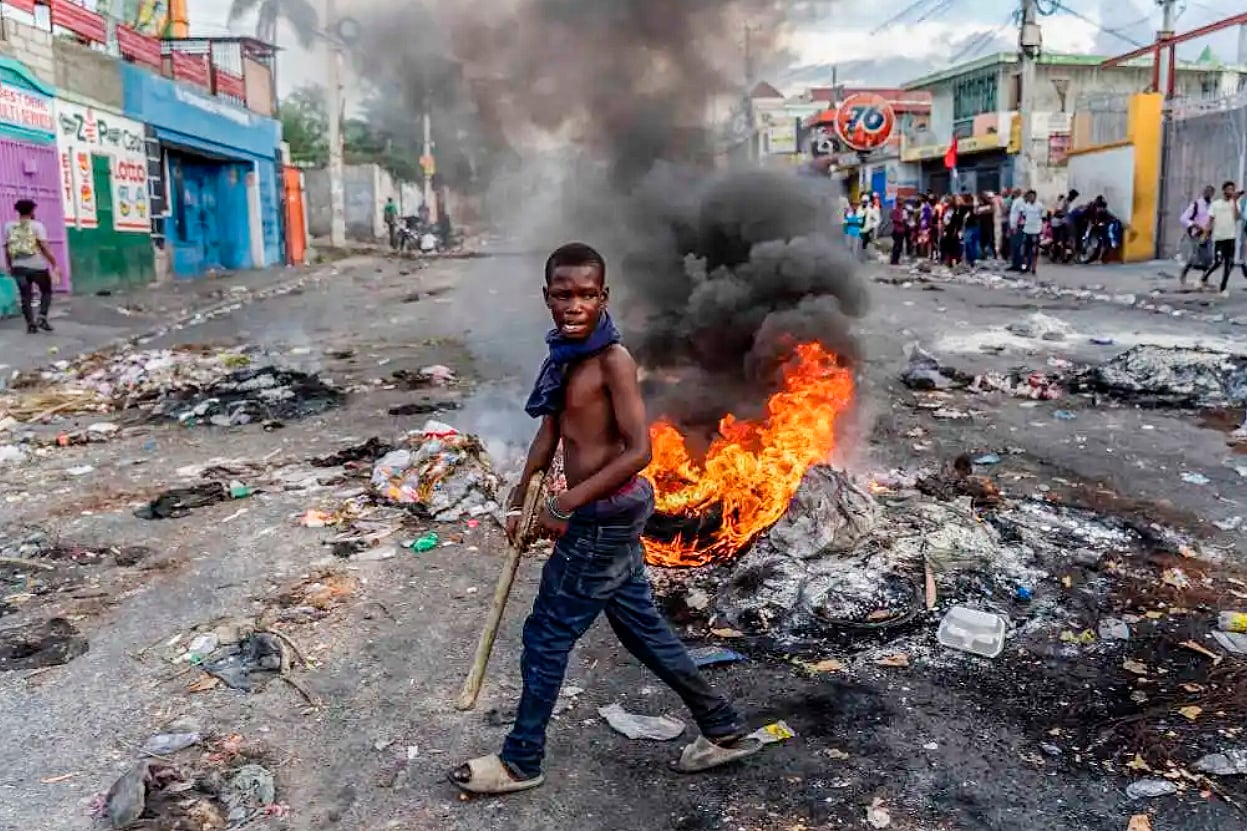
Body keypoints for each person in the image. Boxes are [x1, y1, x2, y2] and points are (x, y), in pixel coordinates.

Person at [449, 243, 753, 795]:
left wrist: (564, 505)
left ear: (603, 296)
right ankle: (724, 728)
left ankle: (521, 761)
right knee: (644, 630)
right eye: (563, 294)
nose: (574, 304)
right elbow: (549, 434)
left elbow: (639, 453)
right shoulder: (563, 357)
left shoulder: (613, 360)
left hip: (603, 518)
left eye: (587, 294)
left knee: (545, 637)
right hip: (604, 514)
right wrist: (521, 502)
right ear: (547, 298)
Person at [4, 199, 59, 335]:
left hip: (18, 267)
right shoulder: (37, 226)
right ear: (32, 211)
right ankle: (42, 317)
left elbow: (7, 249)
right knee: (46, 291)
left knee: (25, 296)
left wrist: (10, 266)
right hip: (38, 266)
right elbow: (44, 247)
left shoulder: (9, 226)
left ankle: (31, 324)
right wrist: (54, 263)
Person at [1203, 180, 1244, 296]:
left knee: (1229, 263)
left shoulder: (1235, 203)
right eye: (1229, 189)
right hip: (1219, 237)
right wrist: (1205, 234)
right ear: (1224, 191)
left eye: (1233, 189)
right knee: (1218, 261)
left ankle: (1223, 287)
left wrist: (1235, 201)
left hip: (1230, 237)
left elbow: (1237, 218)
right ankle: (1205, 277)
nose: (1231, 192)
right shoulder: (1215, 204)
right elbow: (1210, 221)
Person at [1178, 185, 1215, 285]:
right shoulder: (1196, 204)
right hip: (1196, 233)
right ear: (1203, 192)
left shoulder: (1212, 205)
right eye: (1206, 192)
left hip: (1207, 234)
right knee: (1194, 256)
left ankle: (1204, 278)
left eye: (1210, 192)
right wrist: (1195, 225)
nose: (1208, 194)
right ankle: (1184, 274)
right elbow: (1183, 218)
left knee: (1208, 257)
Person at [1015, 189, 1044, 275]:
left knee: (1035, 251)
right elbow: (1022, 216)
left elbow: (1043, 217)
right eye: (1029, 196)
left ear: (1035, 196)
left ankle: (1033, 268)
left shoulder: (1040, 206)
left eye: (1032, 196)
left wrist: (1041, 229)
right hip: (1027, 230)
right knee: (1024, 251)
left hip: (1036, 231)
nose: (1031, 198)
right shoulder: (1025, 206)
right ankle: (1024, 267)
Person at [889, 200, 907, 265]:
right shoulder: (896, 211)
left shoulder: (902, 211)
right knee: (897, 246)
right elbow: (894, 219)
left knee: (899, 246)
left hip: (901, 230)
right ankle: (894, 260)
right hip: (897, 230)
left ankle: (896, 260)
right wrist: (901, 221)